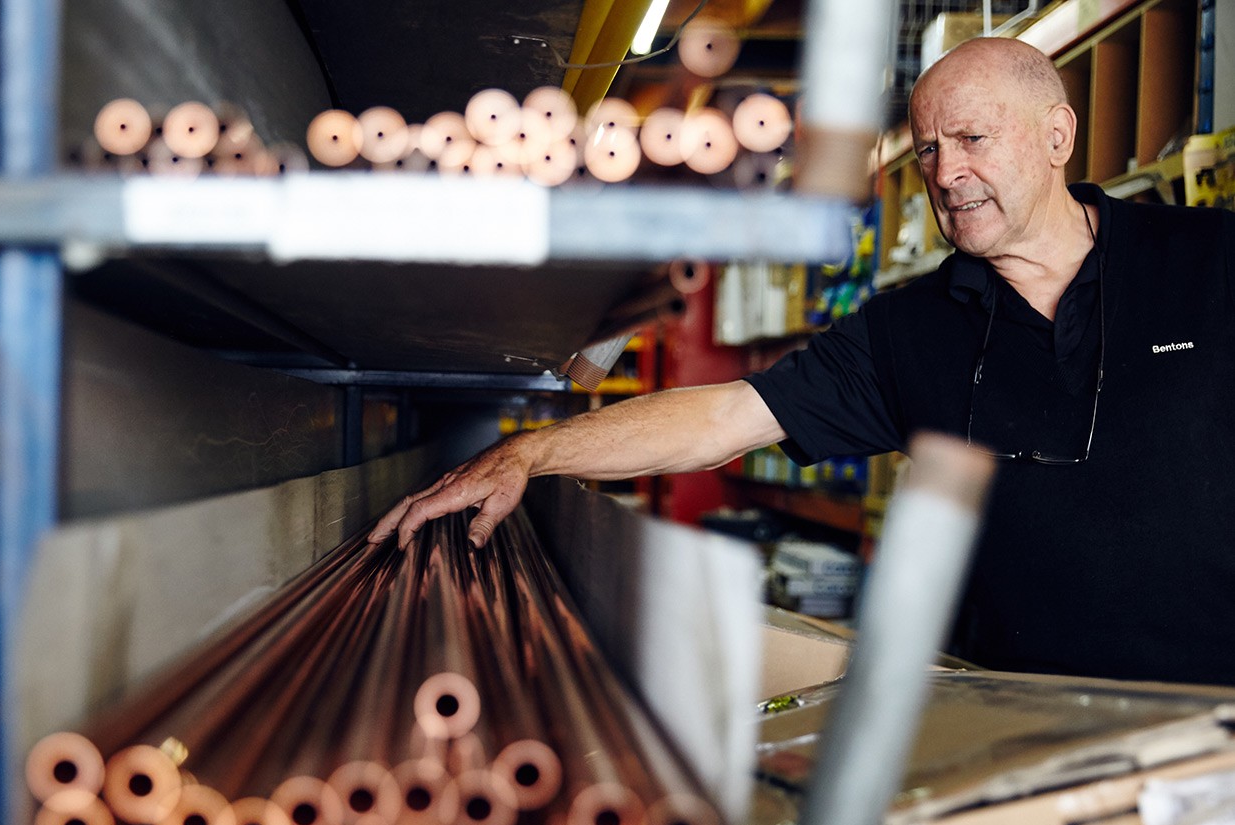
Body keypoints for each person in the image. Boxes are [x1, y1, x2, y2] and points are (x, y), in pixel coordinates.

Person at [372, 36, 1235, 687]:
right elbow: (724, 418)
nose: (946, 173)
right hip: (1017, 726)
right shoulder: (913, 330)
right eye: (930, 150)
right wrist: (529, 453)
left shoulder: (1208, 263)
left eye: (972, 139)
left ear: (1058, 137)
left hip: (1210, 716)